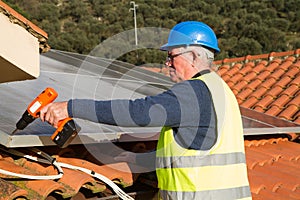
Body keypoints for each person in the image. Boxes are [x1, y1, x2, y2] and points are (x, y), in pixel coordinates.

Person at [40, 21, 252, 200]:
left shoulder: (193, 92)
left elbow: (140, 112)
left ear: (194, 56)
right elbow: (197, 150)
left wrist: (71, 107)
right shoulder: (220, 89)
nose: (167, 63)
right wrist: (139, 159)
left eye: (172, 56)